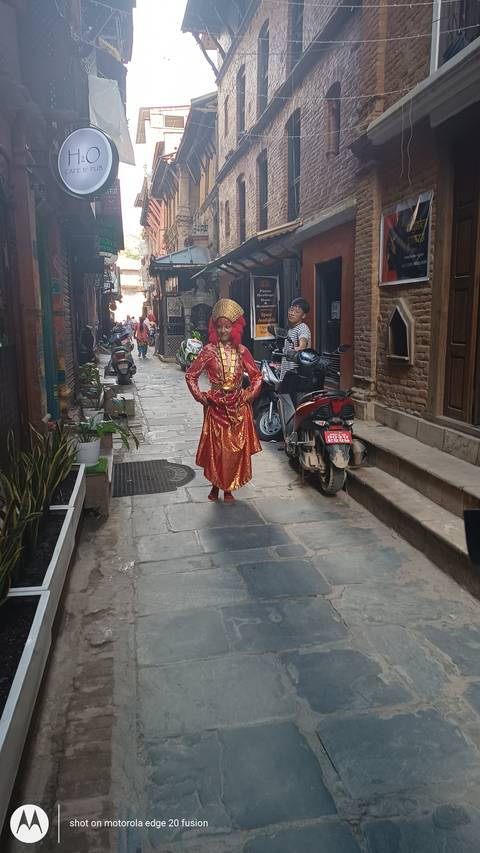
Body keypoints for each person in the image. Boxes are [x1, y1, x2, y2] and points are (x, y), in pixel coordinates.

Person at [186, 298, 262, 502]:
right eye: (219, 327)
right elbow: (190, 375)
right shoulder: (208, 351)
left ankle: (228, 487)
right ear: (214, 328)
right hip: (216, 407)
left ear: (235, 327)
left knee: (233, 452)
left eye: (227, 326)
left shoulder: (242, 351)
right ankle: (214, 486)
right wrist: (200, 397)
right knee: (217, 450)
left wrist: (248, 394)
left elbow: (257, 376)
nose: (223, 331)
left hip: (237, 407)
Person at [279, 297, 312, 390]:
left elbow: (303, 341)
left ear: (303, 315)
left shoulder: (302, 328)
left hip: (296, 376)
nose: (292, 313)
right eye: (291, 310)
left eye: (297, 311)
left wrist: (300, 347)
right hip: (288, 375)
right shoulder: (290, 329)